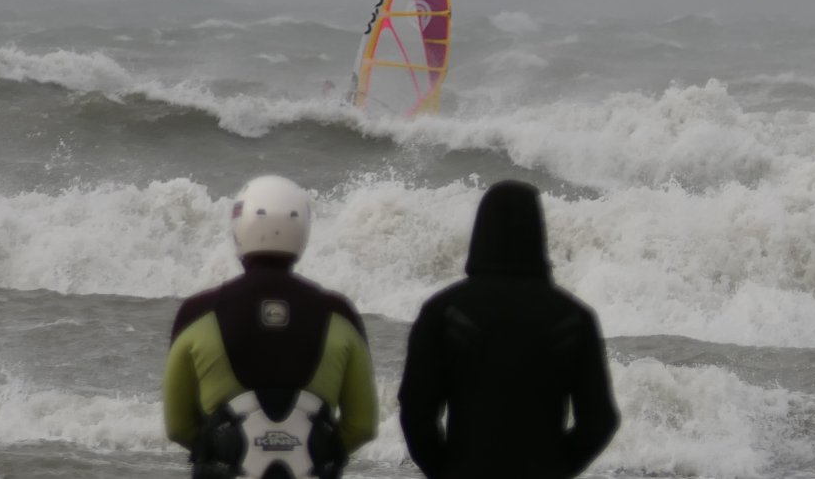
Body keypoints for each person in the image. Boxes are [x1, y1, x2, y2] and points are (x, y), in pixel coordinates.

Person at [398, 180, 619, 479]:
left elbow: (415, 408)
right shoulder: (573, 317)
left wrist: (445, 469)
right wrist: (558, 467)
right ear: (537, 231)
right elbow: (600, 419)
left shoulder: (444, 312)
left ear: (480, 231)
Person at [163, 175, 378, 479]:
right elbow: (362, 425)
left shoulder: (197, 314)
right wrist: (317, 451)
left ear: (239, 226)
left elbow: (178, 427)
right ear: (303, 230)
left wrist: (221, 449)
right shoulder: (339, 315)